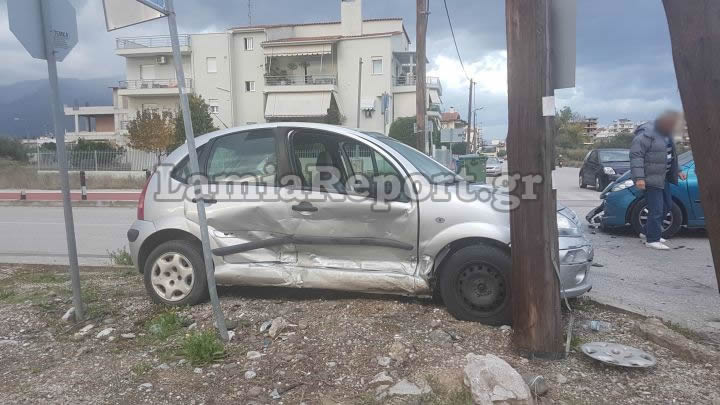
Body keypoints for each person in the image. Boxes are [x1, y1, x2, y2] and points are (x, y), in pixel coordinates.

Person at [630, 111, 687, 250]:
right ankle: (652, 240)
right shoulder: (645, 135)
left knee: (667, 205)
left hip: (663, 177)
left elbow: (670, 155)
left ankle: (647, 232)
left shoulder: (666, 134)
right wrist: (639, 178)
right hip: (651, 177)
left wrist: (678, 170)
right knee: (656, 209)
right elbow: (636, 157)